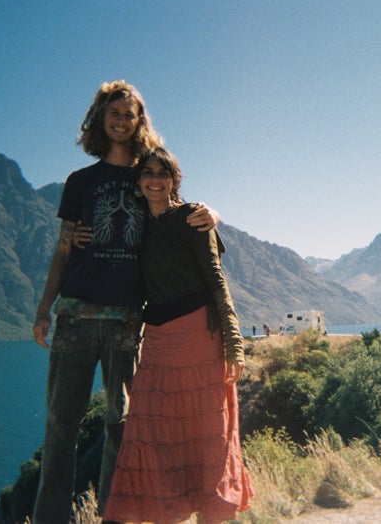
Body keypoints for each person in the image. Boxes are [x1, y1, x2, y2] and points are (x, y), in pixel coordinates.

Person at [31, 80, 219, 523]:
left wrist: (213, 212)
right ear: (100, 119)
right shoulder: (80, 182)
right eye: (113, 113)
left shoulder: (147, 175)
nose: (120, 121)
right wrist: (43, 309)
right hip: (75, 315)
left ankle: (114, 517)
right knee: (60, 424)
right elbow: (63, 250)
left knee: (122, 424)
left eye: (128, 115)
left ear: (139, 122)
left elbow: (180, 214)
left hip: (127, 321)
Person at [103, 147, 253, 523]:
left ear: (175, 180)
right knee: (155, 436)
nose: (155, 179)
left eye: (163, 173)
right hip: (157, 340)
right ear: (138, 181)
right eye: (148, 172)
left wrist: (234, 343)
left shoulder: (192, 218)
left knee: (208, 434)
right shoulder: (135, 226)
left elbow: (216, 279)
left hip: (199, 336)